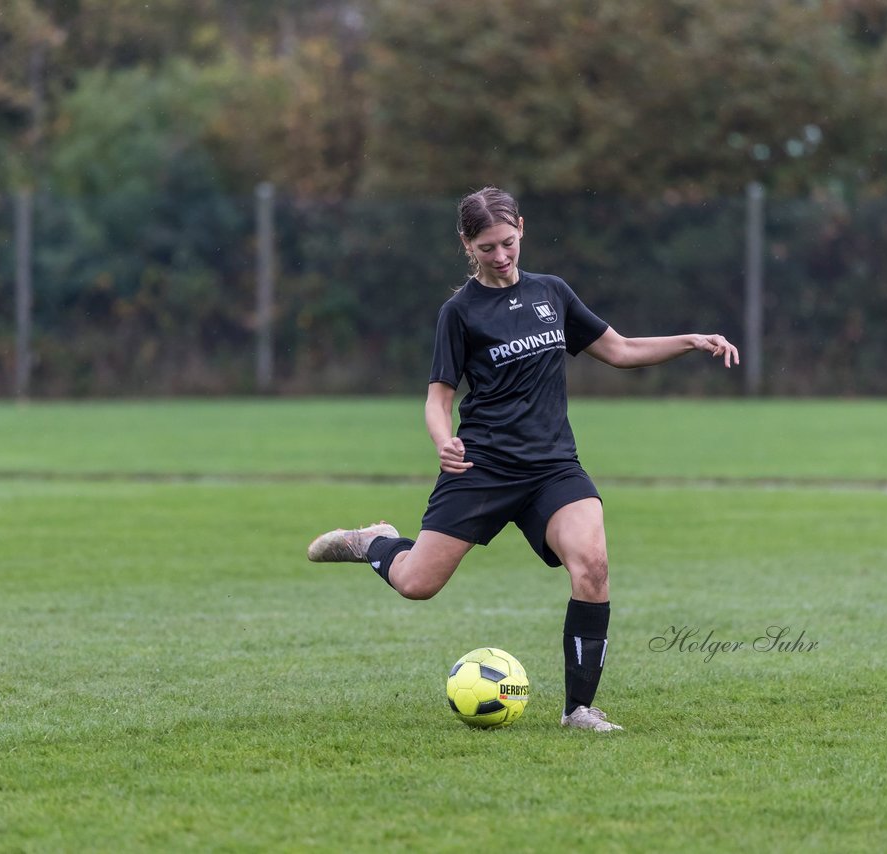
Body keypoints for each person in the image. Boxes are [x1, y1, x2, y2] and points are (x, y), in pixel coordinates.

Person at [307, 187, 738, 732]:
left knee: (593, 565)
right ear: (467, 244)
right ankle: (375, 541)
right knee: (418, 583)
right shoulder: (459, 313)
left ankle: (579, 709)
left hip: (553, 466)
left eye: (508, 243)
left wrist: (690, 341)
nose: (502, 255)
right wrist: (443, 439)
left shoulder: (552, 293)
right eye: (487, 247)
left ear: (522, 231)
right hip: (482, 466)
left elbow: (621, 350)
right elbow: (440, 395)